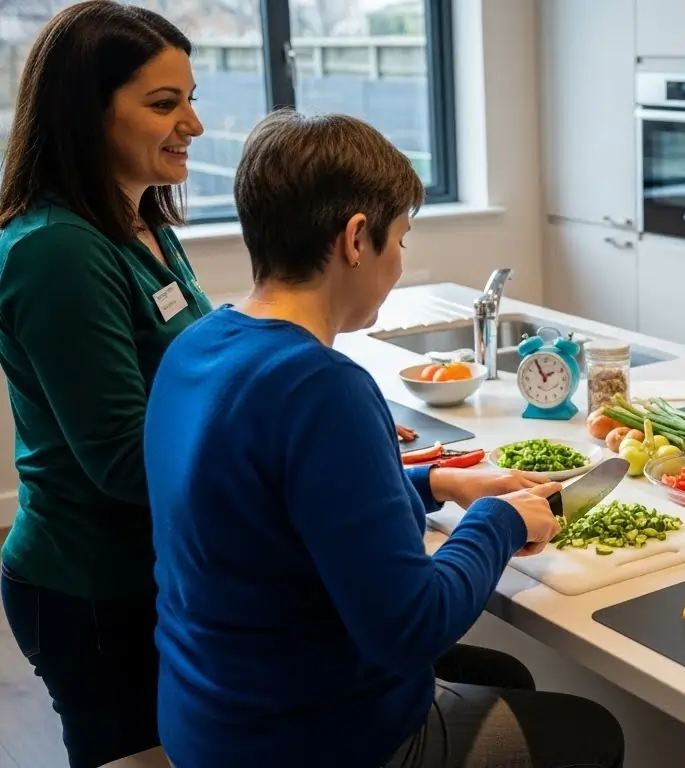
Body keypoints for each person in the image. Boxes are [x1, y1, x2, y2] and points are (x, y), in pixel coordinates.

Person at [143, 108, 626, 768]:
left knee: (506, 676)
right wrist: (496, 521)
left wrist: (437, 481)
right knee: (592, 731)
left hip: (209, 718)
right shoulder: (319, 385)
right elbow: (410, 628)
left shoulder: (198, 346)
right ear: (355, 237)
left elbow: (271, 507)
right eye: (400, 239)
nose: (398, 261)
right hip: (302, 744)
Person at [0, 4, 211, 766]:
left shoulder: (143, 221)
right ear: (82, 113)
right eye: (164, 104)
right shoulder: (56, 251)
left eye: (191, 99)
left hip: (154, 565)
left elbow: (192, 378)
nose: (191, 123)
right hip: (92, 586)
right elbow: (123, 462)